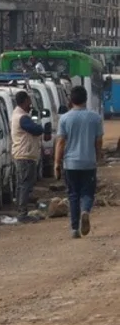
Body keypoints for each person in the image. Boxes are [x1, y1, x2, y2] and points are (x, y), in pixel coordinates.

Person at [54, 84, 105, 239]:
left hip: (70, 164)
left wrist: (57, 162)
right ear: (86, 99)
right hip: (88, 162)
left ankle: (75, 228)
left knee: (73, 195)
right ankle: (85, 211)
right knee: (88, 193)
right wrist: (97, 156)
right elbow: (98, 141)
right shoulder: (95, 118)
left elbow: (61, 142)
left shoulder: (65, 118)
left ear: (71, 99)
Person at [9, 90, 51, 219]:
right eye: (29, 100)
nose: (31, 103)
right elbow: (35, 130)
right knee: (25, 184)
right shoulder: (22, 117)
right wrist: (43, 128)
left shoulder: (17, 115)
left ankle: (20, 210)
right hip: (25, 155)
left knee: (22, 183)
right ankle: (22, 212)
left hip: (21, 154)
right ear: (25, 101)